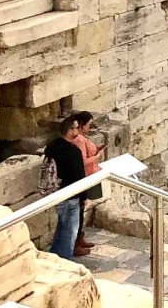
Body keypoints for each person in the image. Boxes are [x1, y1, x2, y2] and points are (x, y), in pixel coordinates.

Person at [44, 115, 88, 261]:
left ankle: (53, 255)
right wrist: (84, 197)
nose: (78, 131)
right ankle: (65, 260)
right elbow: (79, 175)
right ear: (69, 131)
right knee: (70, 231)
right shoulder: (73, 151)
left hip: (56, 192)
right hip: (70, 195)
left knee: (62, 226)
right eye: (76, 128)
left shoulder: (52, 146)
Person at [71, 111, 106, 258]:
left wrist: (96, 151)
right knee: (79, 210)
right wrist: (97, 156)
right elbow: (81, 161)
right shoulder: (78, 140)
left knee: (81, 209)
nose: (90, 127)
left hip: (89, 175)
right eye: (89, 124)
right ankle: (76, 243)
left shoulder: (82, 138)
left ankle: (80, 238)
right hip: (85, 176)